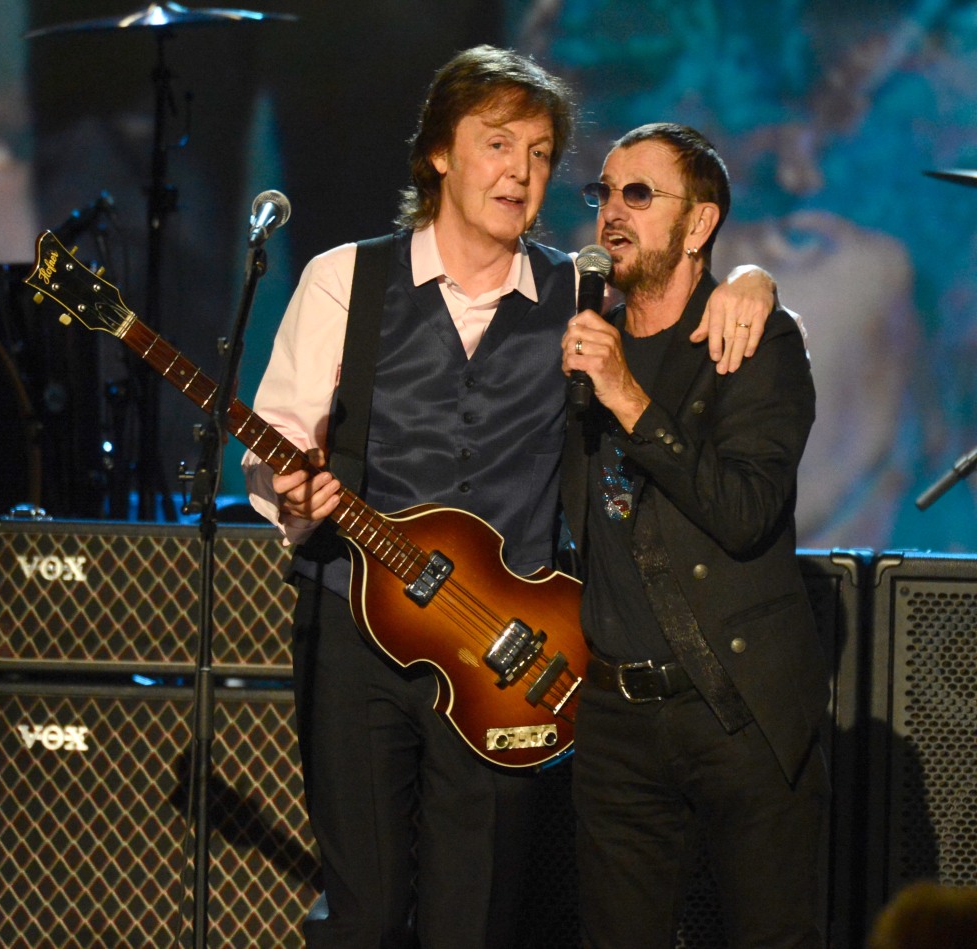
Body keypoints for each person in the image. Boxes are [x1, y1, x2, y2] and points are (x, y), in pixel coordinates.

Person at [243, 49, 779, 948]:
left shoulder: (580, 289)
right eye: (498, 145)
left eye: (539, 154)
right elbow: (280, 443)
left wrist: (759, 282)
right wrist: (290, 488)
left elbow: (690, 299)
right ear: (440, 155)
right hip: (357, 628)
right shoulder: (345, 279)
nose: (522, 173)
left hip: (510, 652)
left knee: (480, 917)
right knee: (364, 912)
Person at [559, 122, 830, 948]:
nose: (613, 211)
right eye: (603, 192)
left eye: (639, 193)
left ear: (701, 222)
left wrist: (628, 396)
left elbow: (746, 511)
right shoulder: (576, 331)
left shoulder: (753, 342)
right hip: (613, 719)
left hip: (735, 707)